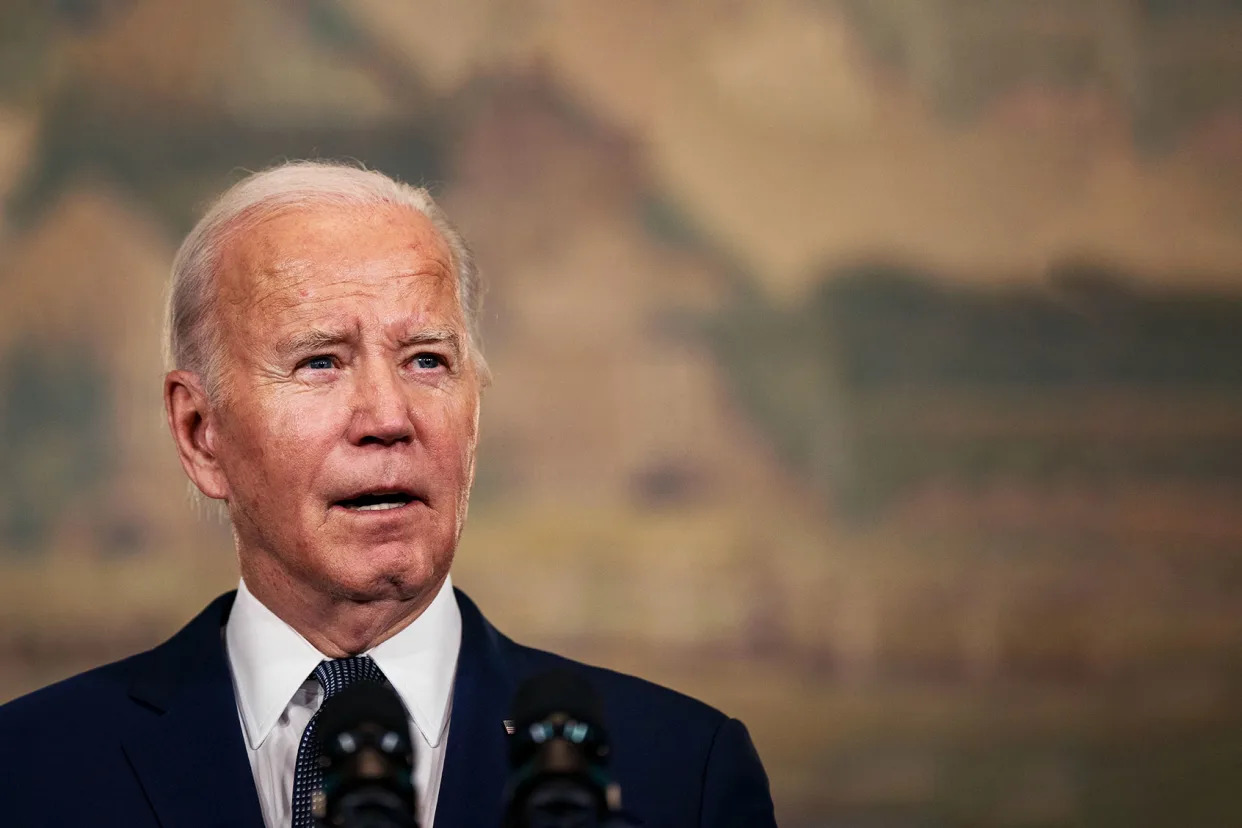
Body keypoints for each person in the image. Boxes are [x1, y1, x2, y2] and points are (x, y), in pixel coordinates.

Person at [0, 161, 776, 828]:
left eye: (428, 361)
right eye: (320, 362)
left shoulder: (682, 774)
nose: (388, 418)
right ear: (202, 432)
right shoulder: (30, 772)